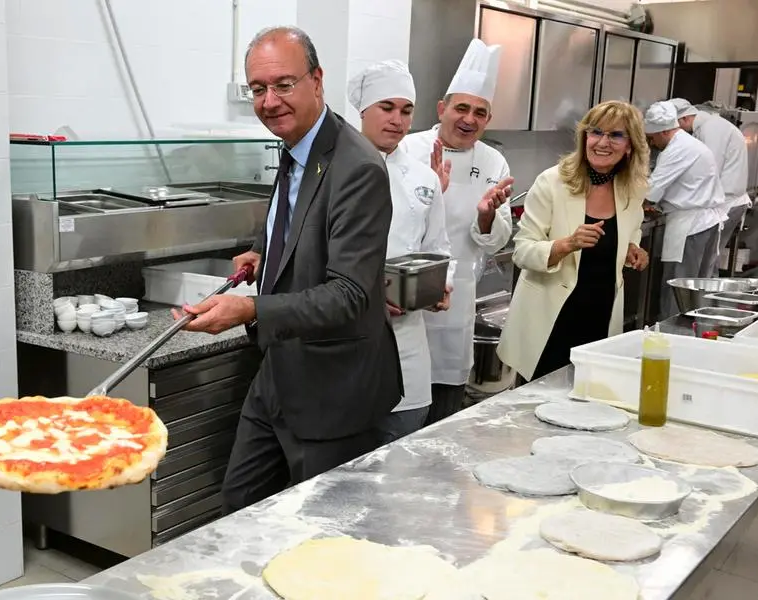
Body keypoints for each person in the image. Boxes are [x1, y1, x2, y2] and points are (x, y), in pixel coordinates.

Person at [173, 26, 403, 514]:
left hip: (333, 387)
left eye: (283, 84)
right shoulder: (296, 146)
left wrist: (248, 309)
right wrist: (265, 252)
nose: (269, 101)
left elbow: (349, 295)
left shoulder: (357, 166)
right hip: (278, 373)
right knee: (240, 508)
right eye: (258, 89)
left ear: (317, 81)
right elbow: (296, 217)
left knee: (323, 533)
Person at [401, 39, 514, 425]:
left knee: (445, 406)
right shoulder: (408, 150)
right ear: (442, 109)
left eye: (480, 112)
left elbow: (498, 239)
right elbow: (389, 226)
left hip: (459, 299)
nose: (469, 119)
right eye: (461, 108)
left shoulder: (493, 160)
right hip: (405, 300)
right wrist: (432, 194)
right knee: (401, 402)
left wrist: (486, 216)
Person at [497, 101, 651, 383]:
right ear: (584, 137)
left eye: (616, 135)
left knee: (589, 404)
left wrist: (632, 248)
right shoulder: (552, 183)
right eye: (596, 133)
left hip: (601, 319)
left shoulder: (632, 188)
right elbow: (522, 252)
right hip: (551, 322)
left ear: (630, 146)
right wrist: (566, 244)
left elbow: (632, 229)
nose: (603, 142)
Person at [346, 60, 454, 443]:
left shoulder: (424, 178)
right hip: (348, 340)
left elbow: (438, 249)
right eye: (386, 108)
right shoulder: (336, 172)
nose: (398, 120)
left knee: (401, 442)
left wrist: (441, 285)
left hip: (407, 336)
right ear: (362, 111)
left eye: (406, 110)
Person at [643, 100, 728, 319]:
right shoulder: (688, 143)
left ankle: (670, 339)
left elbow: (650, 191)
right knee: (696, 289)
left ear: (662, 132)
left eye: (651, 138)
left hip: (692, 227)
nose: (652, 143)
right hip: (705, 222)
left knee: (678, 290)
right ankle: (691, 335)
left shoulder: (676, 149)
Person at [670, 98, 751, 256]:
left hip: (726, 203)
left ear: (684, 118)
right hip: (725, 201)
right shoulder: (708, 126)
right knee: (709, 260)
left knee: (708, 259)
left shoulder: (712, 129)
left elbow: (708, 171)